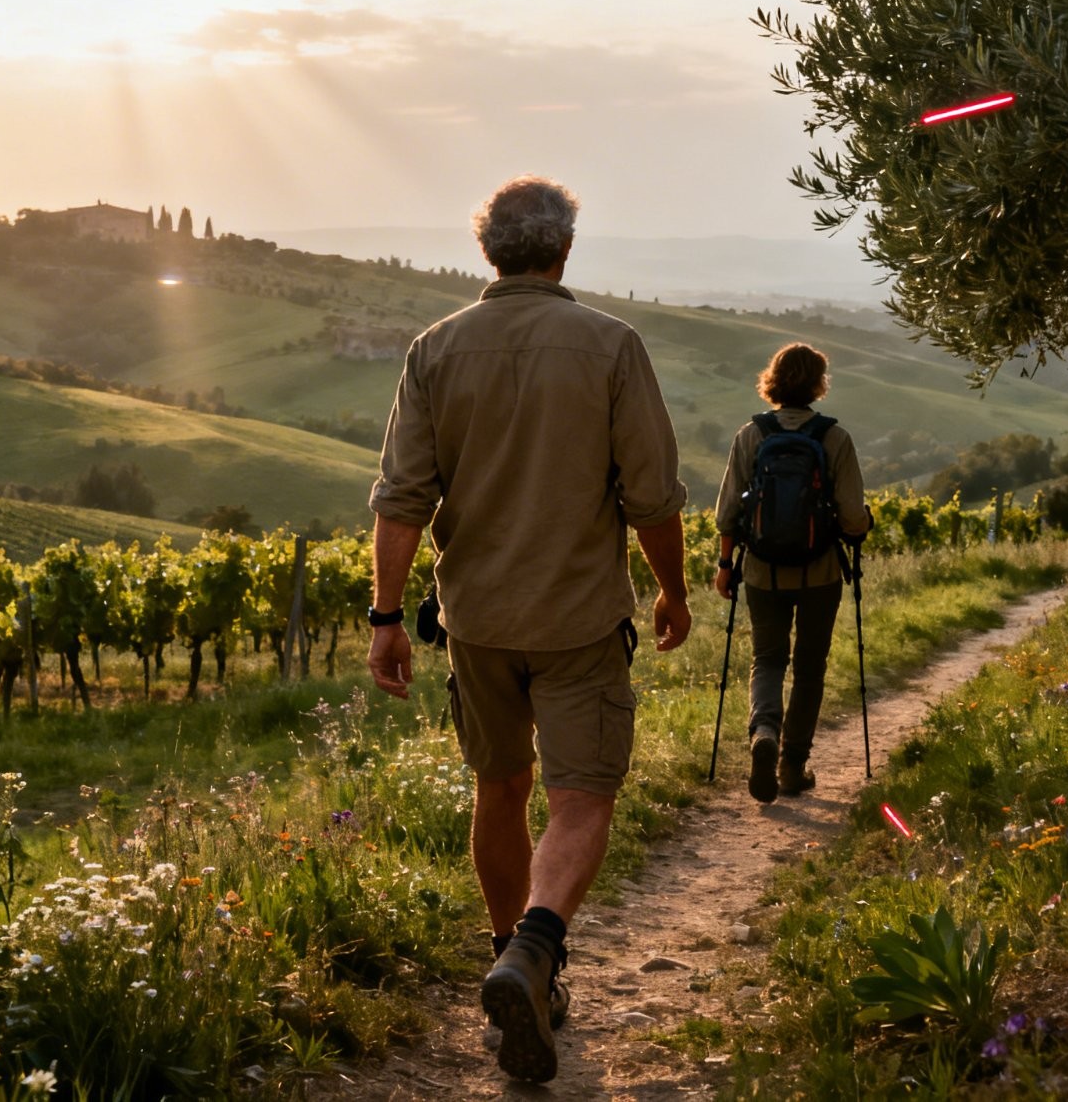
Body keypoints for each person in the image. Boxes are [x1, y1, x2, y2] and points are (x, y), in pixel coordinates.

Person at [367, 175, 691, 1084]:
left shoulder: (435, 349)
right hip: (579, 617)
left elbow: (400, 502)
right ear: (565, 250)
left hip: (474, 619)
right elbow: (653, 496)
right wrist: (671, 591)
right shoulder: (611, 346)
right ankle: (537, 951)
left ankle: (514, 953)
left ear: (489, 253)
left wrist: (386, 618)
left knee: (498, 788)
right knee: (582, 793)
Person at [712, 343, 872, 803]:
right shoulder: (834, 438)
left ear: (774, 379)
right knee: (809, 668)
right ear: (819, 384)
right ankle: (791, 765)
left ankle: (764, 729)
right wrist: (863, 525)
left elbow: (727, 514)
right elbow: (852, 517)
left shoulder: (752, 434)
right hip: (820, 572)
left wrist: (726, 566)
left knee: (767, 659)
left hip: (762, 573)